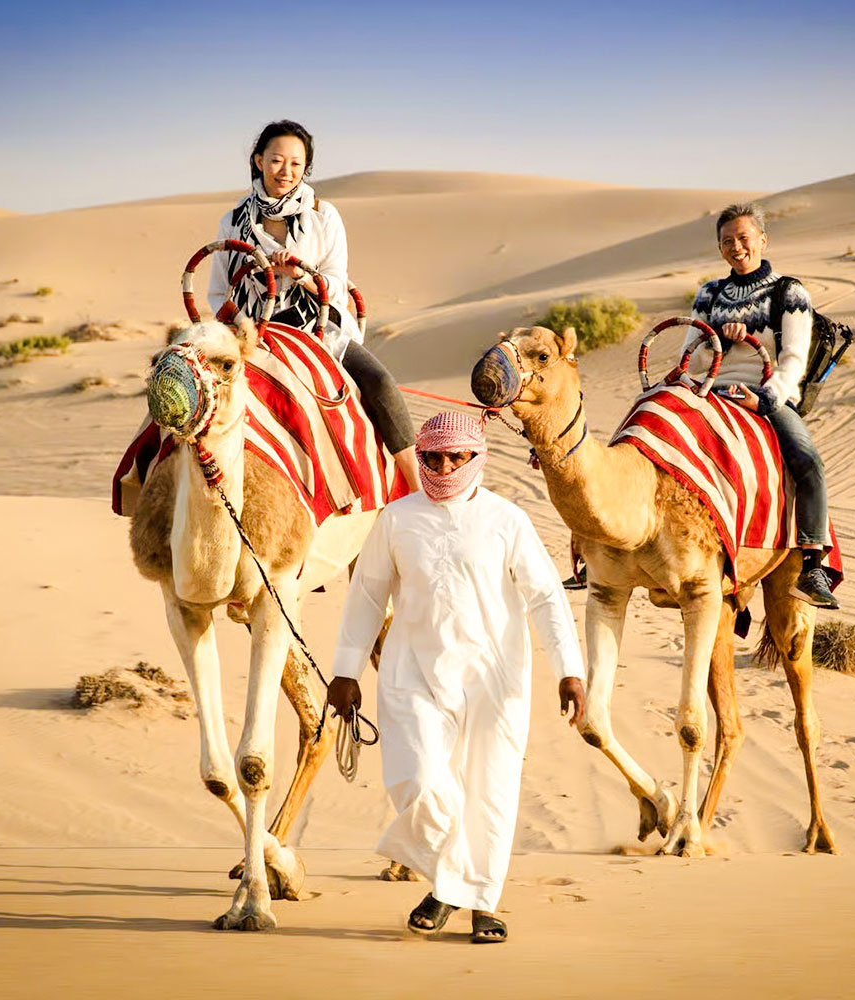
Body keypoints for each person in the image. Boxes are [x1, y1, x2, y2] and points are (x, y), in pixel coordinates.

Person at [325, 411, 587, 943]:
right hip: (412, 674)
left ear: (477, 458)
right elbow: (367, 597)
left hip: (494, 678)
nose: (443, 466)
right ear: (419, 458)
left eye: (455, 457)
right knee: (420, 782)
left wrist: (570, 670)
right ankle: (452, 882)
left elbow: (545, 598)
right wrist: (345, 671)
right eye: (432, 457)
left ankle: (478, 901)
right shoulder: (396, 518)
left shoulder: (507, 519)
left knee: (489, 792)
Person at [205, 119, 420, 490]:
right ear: (258, 161)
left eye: (295, 164)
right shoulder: (233, 222)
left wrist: (301, 275)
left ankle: (416, 486)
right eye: (276, 160)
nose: (285, 171)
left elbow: (337, 283)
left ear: (306, 168)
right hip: (255, 337)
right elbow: (217, 292)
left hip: (318, 332)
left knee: (380, 383)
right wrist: (244, 329)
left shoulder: (324, 216)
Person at [683, 202, 838, 608]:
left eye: (743, 238)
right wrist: (718, 336)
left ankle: (812, 564)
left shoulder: (789, 292)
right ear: (719, 249)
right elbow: (692, 357)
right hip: (710, 393)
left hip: (767, 394)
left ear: (762, 240)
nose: (736, 247)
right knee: (647, 434)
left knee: (807, 460)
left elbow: (793, 361)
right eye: (727, 241)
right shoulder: (708, 294)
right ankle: (608, 551)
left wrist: (764, 398)